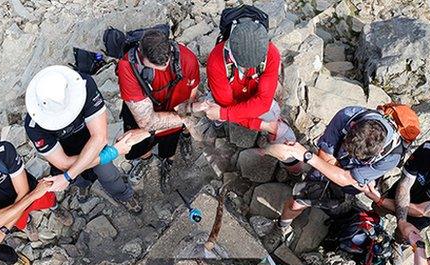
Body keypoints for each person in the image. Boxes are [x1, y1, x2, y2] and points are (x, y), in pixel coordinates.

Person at [263, 106, 404, 241]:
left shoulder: (391, 157)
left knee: (337, 197)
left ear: (378, 152)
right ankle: (281, 226)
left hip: (348, 179)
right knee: (296, 203)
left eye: (357, 156)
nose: (350, 155)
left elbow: (345, 178)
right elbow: (326, 156)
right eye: (347, 147)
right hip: (343, 170)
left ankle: (334, 201)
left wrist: (308, 156)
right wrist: (340, 173)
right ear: (353, 126)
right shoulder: (347, 116)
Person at [24, 65, 143, 213]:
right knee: (79, 177)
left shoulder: (84, 85)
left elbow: (99, 138)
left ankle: (124, 195)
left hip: (92, 145)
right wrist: (112, 153)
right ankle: (84, 185)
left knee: (109, 175)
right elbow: (63, 163)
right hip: (70, 154)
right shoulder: (34, 126)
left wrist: (69, 175)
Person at [116, 29, 201, 187]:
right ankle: (146, 159)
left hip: (173, 111)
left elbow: (192, 91)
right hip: (142, 115)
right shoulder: (128, 67)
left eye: (166, 63)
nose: (163, 67)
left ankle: (167, 162)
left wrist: (186, 112)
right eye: (155, 66)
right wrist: (186, 116)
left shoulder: (187, 59)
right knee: (141, 145)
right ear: (141, 53)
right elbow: (146, 122)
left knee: (169, 145)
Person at [197, 14, 295, 146]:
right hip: (228, 101)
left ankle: (219, 122)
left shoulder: (271, 54)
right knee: (217, 112)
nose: (248, 68)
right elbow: (227, 105)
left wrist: (224, 113)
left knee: (272, 112)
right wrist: (262, 125)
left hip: (247, 97)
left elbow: (263, 103)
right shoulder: (216, 59)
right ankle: (218, 124)